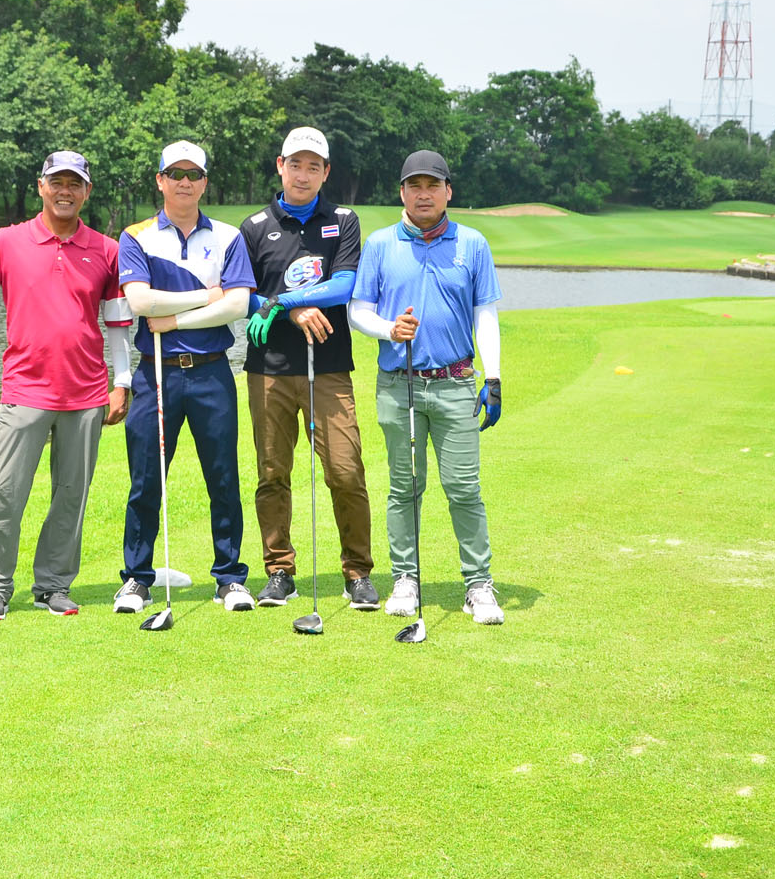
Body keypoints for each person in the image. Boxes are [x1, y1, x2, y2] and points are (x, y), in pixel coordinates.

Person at [0, 151, 133, 621]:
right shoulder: (7, 241)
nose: (65, 191)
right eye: (57, 182)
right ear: (41, 186)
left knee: (71, 496)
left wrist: (122, 382)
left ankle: (53, 585)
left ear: (86, 192)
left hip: (86, 393)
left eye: (74, 184)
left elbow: (118, 323)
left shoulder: (107, 249)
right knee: (5, 492)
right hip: (25, 389)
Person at [348, 150, 507, 625]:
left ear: (447, 192)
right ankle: (405, 578)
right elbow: (358, 309)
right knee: (404, 486)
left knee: (463, 487)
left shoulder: (472, 244)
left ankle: (478, 584)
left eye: (432, 185)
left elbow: (485, 313)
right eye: (414, 186)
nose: (423, 194)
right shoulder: (380, 244)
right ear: (401, 192)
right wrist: (388, 329)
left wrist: (493, 377)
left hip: (456, 382)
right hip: (399, 385)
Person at [114, 139, 258, 614]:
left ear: (204, 182)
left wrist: (174, 319)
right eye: (174, 173)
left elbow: (237, 305)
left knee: (223, 477)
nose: (184, 181)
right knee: (146, 479)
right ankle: (137, 578)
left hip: (212, 372)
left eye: (193, 174)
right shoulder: (136, 236)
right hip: (156, 374)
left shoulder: (228, 236)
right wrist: (206, 296)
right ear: (160, 180)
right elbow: (140, 302)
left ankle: (230, 577)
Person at [239, 126, 378, 610]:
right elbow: (244, 295)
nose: (303, 174)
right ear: (280, 166)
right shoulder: (255, 226)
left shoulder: (342, 220)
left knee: (345, 470)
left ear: (326, 172)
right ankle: (279, 570)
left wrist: (284, 301)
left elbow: (344, 285)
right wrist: (288, 310)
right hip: (269, 369)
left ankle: (358, 572)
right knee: (272, 471)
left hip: (329, 367)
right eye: (295, 164)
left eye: (313, 166)